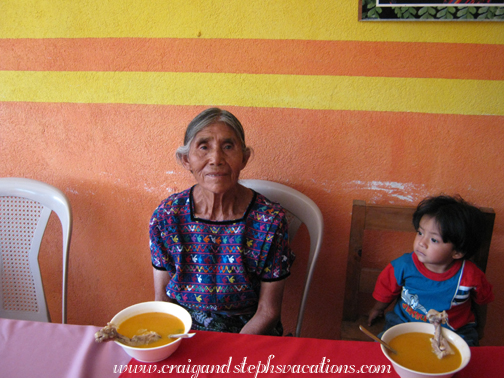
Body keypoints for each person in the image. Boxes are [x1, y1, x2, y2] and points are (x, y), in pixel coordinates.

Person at [150, 108, 295, 335]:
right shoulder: (167, 217)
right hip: (183, 332)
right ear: (186, 159)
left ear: (244, 158)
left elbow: (268, 312)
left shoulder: (269, 221)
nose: (216, 159)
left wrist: (227, 358)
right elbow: (162, 299)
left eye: (228, 147)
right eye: (204, 147)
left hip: (248, 334)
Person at [367, 195, 493, 346]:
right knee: (383, 347)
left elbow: (482, 302)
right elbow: (387, 290)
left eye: (434, 240)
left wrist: (481, 328)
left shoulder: (471, 276)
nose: (421, 242)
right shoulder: (403, 266)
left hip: (454, 331)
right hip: (404, 324)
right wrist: (377, 309)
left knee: (470, 359)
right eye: (420, 233)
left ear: (458, 252)